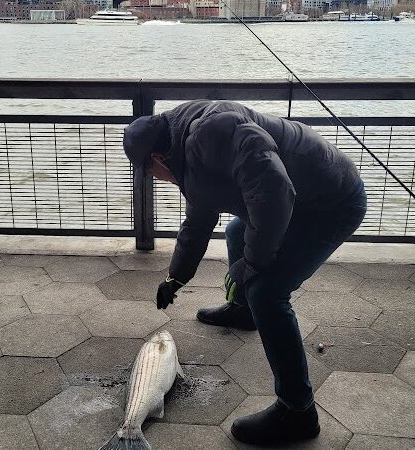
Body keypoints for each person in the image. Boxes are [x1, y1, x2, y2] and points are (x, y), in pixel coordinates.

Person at [123, 100, 366, 446]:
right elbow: (198, 221)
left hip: (330, 203)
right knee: (237, 231)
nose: (154, 180)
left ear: (156, 160)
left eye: (148, 173)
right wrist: (175, 278)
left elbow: (274, 190)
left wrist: (252, 266)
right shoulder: (182, 147)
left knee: (267, 291)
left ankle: (298, 411)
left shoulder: (212, 131)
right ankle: (243, 312)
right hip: (296, 197)